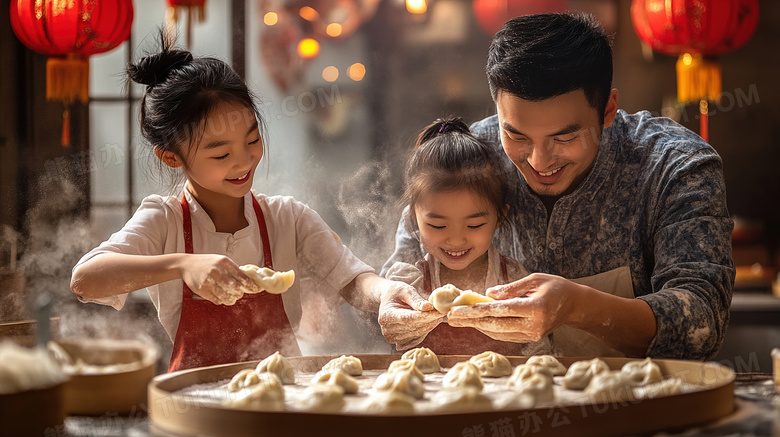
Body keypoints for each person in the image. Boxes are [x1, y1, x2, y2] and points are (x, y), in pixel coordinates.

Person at [379, 13, 734, 360]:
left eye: (564, 137)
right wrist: (392, 304)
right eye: (515, 134)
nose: (538, 161)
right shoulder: (468, 158)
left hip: (634, 407)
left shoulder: (673, 166)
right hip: (500, 405)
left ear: (607, 110)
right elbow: (399, 280)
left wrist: (578, 307)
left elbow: (702, 324)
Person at [70, 33, 411, 372]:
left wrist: (388, 292)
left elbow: (352, 280)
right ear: (171, 158)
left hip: (283, 399)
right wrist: (183, 266)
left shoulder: (286, 218)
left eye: (252, 139)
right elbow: (85, 279)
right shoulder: (164, 221)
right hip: (200, 410)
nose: (244, 161)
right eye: (221, 153)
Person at [383, 117, 550, 356]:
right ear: (413, 220)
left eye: (474, 225)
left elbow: (538, 348)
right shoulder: (411, 284)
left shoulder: (513, 282)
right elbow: (394, 345)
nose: (456, 240)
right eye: (438, 226)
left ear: (499, 218)